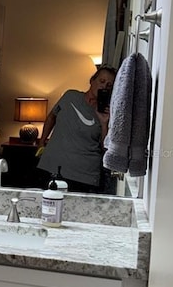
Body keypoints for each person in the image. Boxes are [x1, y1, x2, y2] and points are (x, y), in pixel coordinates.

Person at [36, 65, 117, 193]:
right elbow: (51, 117)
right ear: (92, 81)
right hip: (52, 166)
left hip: (84, 176)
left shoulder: (109, 113)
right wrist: (41, 143)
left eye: (109, 85)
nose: (104, 86)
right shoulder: (70, 96)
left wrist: (104, 123)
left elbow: (105, 148)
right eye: (101, 81)